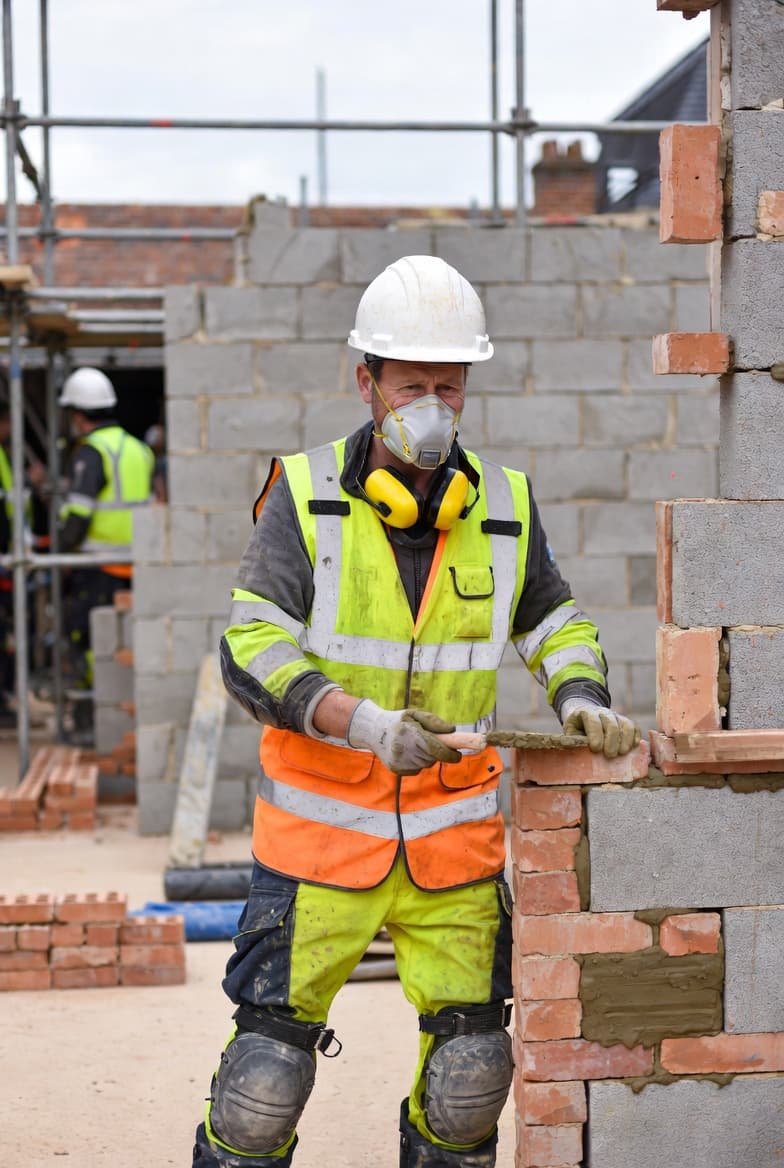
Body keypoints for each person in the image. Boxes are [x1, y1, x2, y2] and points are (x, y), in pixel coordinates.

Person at [192, 255, 640, 1168]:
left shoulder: (505, 506)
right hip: (318, 853)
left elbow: (554, 618)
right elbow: (251, 647)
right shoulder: (306, 495)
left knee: (471, 1076)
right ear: (367, 383)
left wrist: (582, 692)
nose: (430, 403)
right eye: (410, 384)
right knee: (260, 1092)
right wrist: (359, 722)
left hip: (453, 849)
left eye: (448, 384)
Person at [44, 367, 153, 735]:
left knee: (87, 639)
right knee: (125, 640)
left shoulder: (91, 452)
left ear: (78, 415)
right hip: (136, 563)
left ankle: (93, 719)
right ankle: (119, 717)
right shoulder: (139, 449)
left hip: (99, 565)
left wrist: (58, 552)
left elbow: (78, 515)